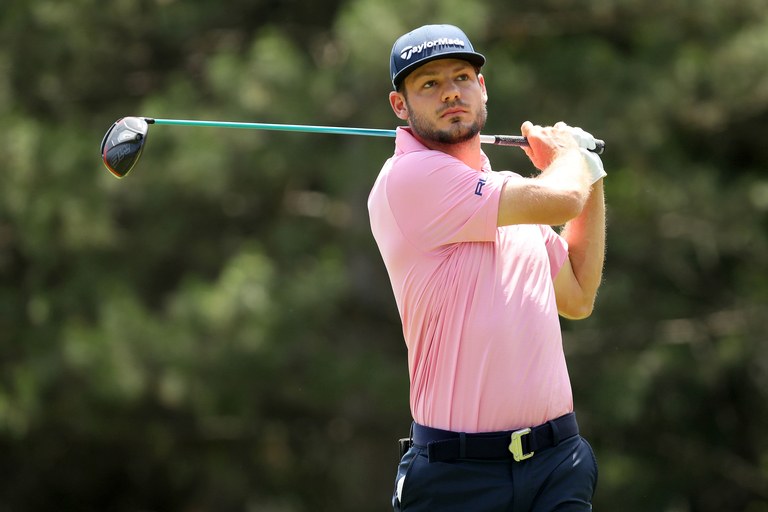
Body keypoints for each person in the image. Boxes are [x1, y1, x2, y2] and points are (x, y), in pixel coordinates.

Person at [367, 24, 607, 512]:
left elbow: (579, 296)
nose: (450, 92)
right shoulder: (409, 178)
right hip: (459, 475)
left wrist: (593, 175)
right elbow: (564, 196)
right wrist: (570, 158)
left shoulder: (508, 193)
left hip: (557, 463)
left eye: (462, 77)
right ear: (400, 106)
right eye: (429, 84)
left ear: (482, 88)